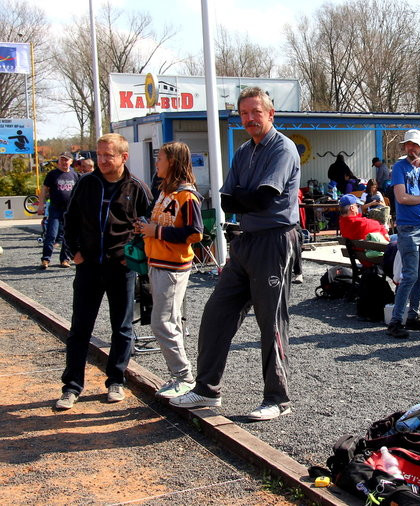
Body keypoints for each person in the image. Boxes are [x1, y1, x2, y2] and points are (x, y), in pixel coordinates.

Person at [170, 87, 301, 422]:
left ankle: (277, 398)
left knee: (270, 321)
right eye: (244, 113)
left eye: (256, 112)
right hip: (245, 240)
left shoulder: (282, 148)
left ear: (270, 114)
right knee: (217, 313)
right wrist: (247, 197)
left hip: (274, 240)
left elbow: (263, 198)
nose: (250, 118)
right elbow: (227, 200)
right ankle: (206, 389)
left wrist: (245, 196)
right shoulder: (244, 151)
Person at [54, 134, 153, 410]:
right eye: (99, 155)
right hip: (88, 267)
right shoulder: (86, 183)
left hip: (120, 269)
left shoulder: (137, 187)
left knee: (122, 328)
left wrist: (132, 257)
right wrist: (74, 251)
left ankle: (116, 381)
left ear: (123, 157)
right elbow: (70, 218)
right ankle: (71, 387)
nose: (102, 160)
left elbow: (149, 224)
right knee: (79, 329)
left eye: (108, 155)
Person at [135, 141, 203, 399]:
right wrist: (145, 227)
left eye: (160, 159)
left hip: (172, 267)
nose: (156, 163)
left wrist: (156, 231)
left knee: (162, 322)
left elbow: (195, 233)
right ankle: (180, 376)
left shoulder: (187, 195)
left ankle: (184, 377)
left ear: (172, 162)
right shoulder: (165, 191)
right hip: (158, 262)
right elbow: (162, 224)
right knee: (169, 321)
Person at [386, 129, 420, 339]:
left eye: (415, 145)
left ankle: (413, 315)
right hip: (409, 227)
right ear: (405, 147)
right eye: (409, 144)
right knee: (410, 276)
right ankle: (396, 321)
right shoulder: (399, 167)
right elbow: (402, 198)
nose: (412, 148)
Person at [38, 151, 80, 269]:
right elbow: (44, 190)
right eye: (62, 159)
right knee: (51, 234)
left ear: (71, 162)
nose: (63, 162)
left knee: (67, 236)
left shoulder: (75, 175)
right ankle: (46, 259)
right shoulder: (52, 174)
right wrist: (40, 205)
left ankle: (64, 259)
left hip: (70, 211)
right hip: (55, 209)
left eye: (66, 160)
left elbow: (80, 192)